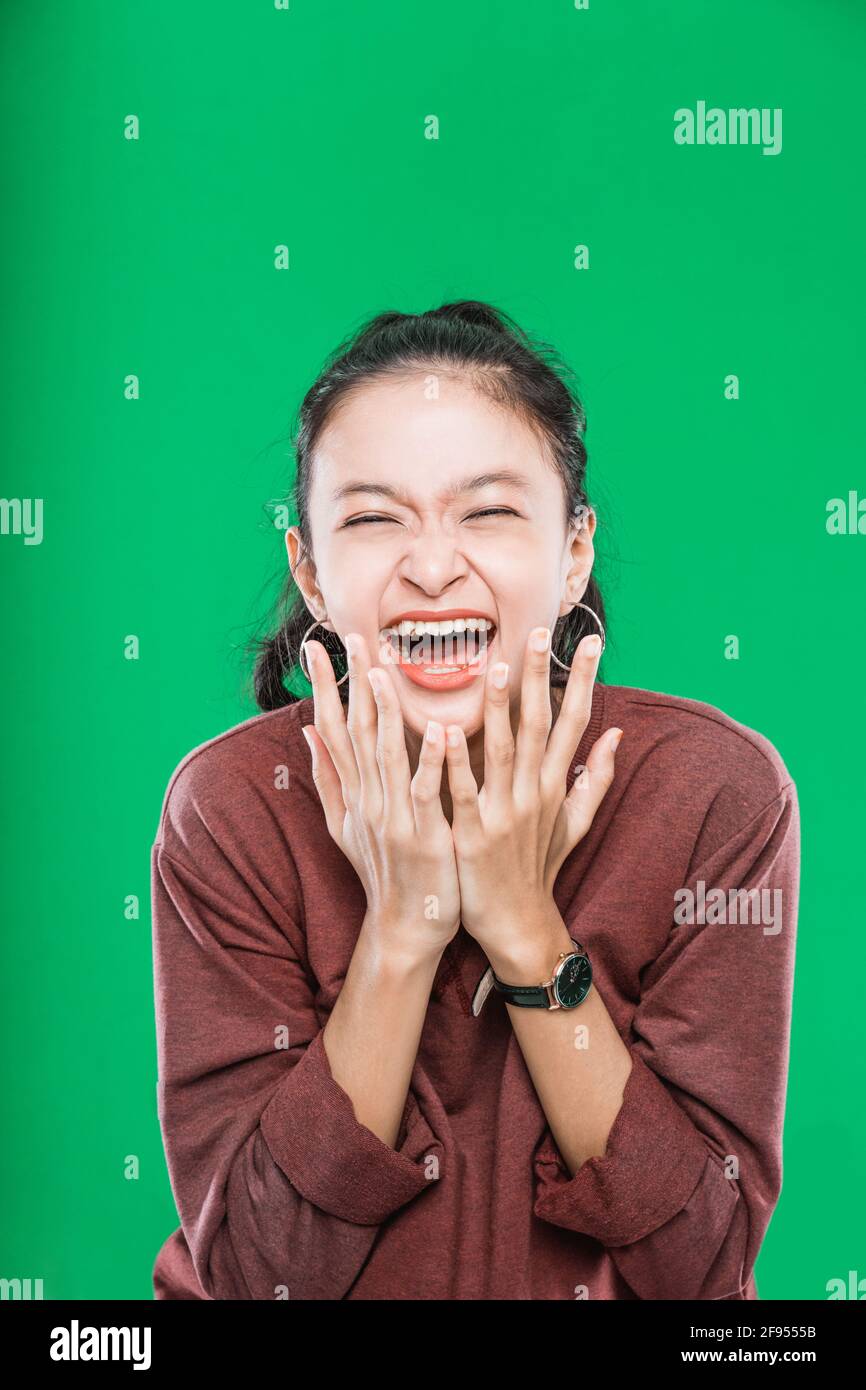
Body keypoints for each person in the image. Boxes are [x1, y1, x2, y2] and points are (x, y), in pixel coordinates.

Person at [150, 300, 799, 1300]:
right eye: (372, 518)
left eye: (487, 511)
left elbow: (699, 1271)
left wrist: (521, 924)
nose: (431, 564)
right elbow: (253, 1277)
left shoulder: (711, 793)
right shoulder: (233, 808)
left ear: (573, 549)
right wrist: (402, 931)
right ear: (311, 573)